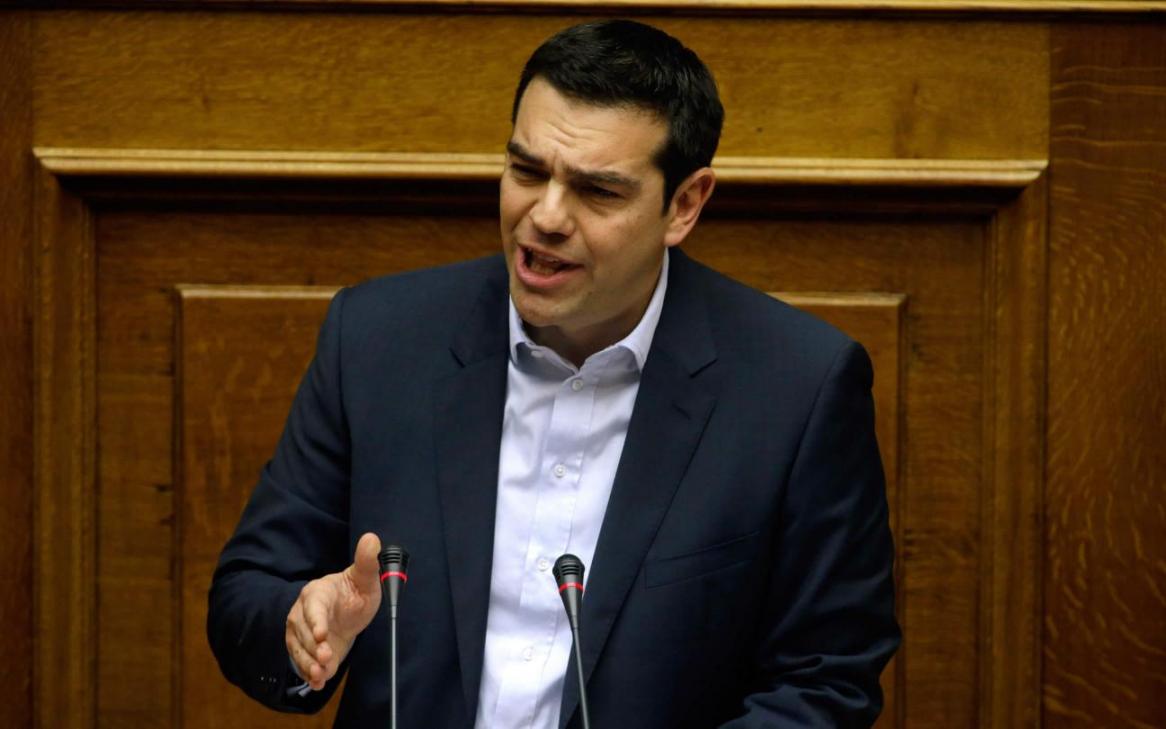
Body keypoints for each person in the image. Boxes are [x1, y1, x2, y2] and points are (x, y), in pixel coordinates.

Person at [208, 19, 899, 729]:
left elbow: (826, 680)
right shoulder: (378, 340)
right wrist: (304, 624)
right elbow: (246, 592)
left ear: (684, 204)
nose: (545, 217)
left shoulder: (798, 388)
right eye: (527, 171)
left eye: (597, 191)